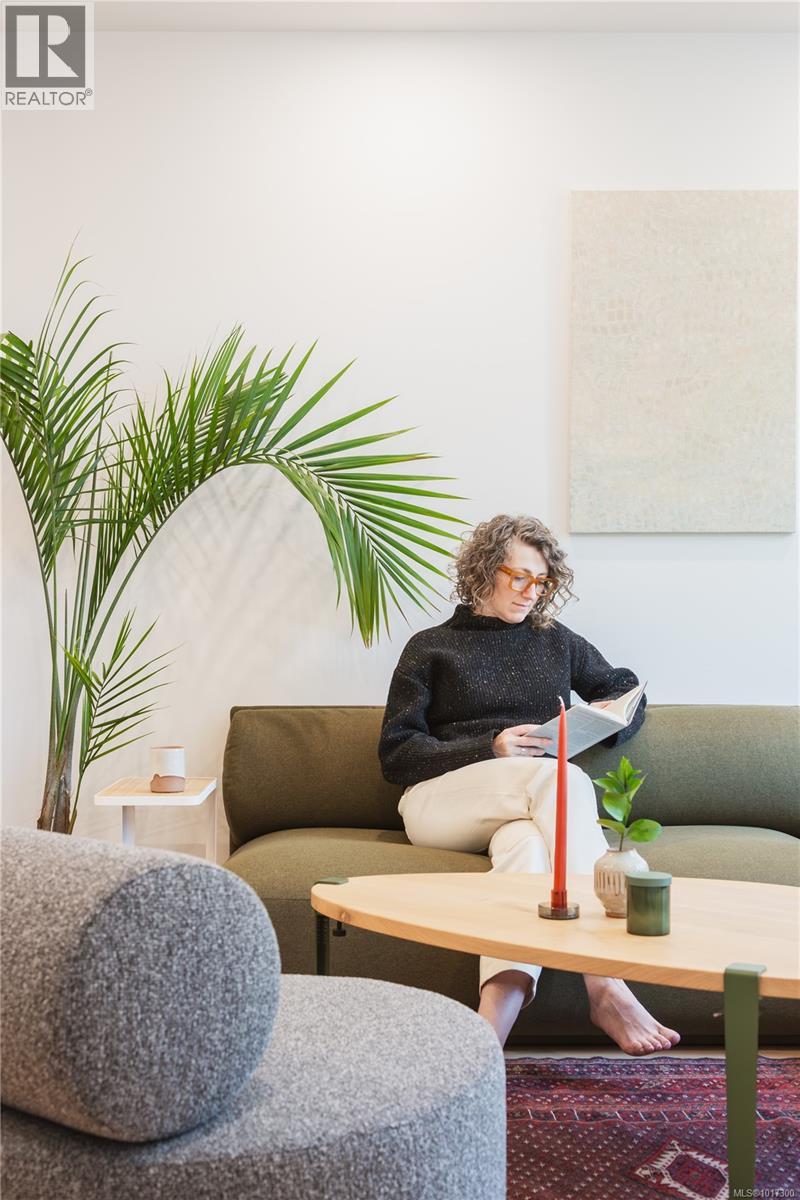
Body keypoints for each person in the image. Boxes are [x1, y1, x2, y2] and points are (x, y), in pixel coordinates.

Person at [378, 514, 680, 1054]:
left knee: (527, 849)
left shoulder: (555, 641)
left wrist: (605, 719)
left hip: (523, 804)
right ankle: (605, 981)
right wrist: (489, 747)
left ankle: (490, 1028)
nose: (530, 591)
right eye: (518, 576)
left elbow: (626, 688)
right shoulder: (430, 647)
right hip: (439, 803)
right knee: (559, 777)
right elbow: (396, 754)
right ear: (482, 571)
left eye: (541, 581)